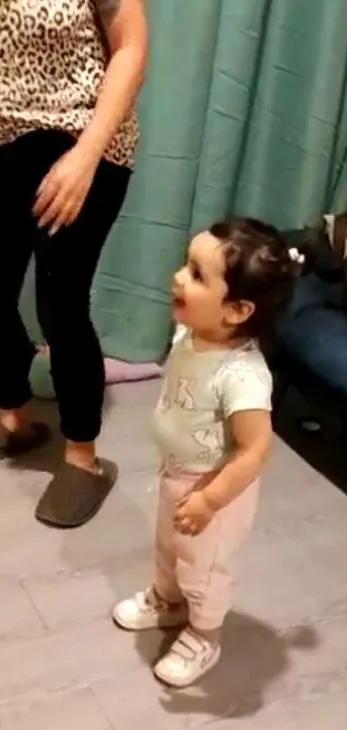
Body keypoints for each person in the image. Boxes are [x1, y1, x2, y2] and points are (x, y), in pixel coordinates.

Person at [0, 0, 148, 528]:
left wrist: (86, 155)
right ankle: (13, 418)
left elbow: (130, 46)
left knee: (60, 304)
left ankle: (83, 456)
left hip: (84, 139)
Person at [113, 218, 301, 688]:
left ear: (237, 310)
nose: (178, 276)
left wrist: (210, 500)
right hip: (177, 474)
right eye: (185, 263)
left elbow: (256, 449)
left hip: (215, 494)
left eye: (197, 274)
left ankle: (205, 633)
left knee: (205, 568)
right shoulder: (191, 335)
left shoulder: (243, 376)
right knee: (168, 549)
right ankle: (168, 600)